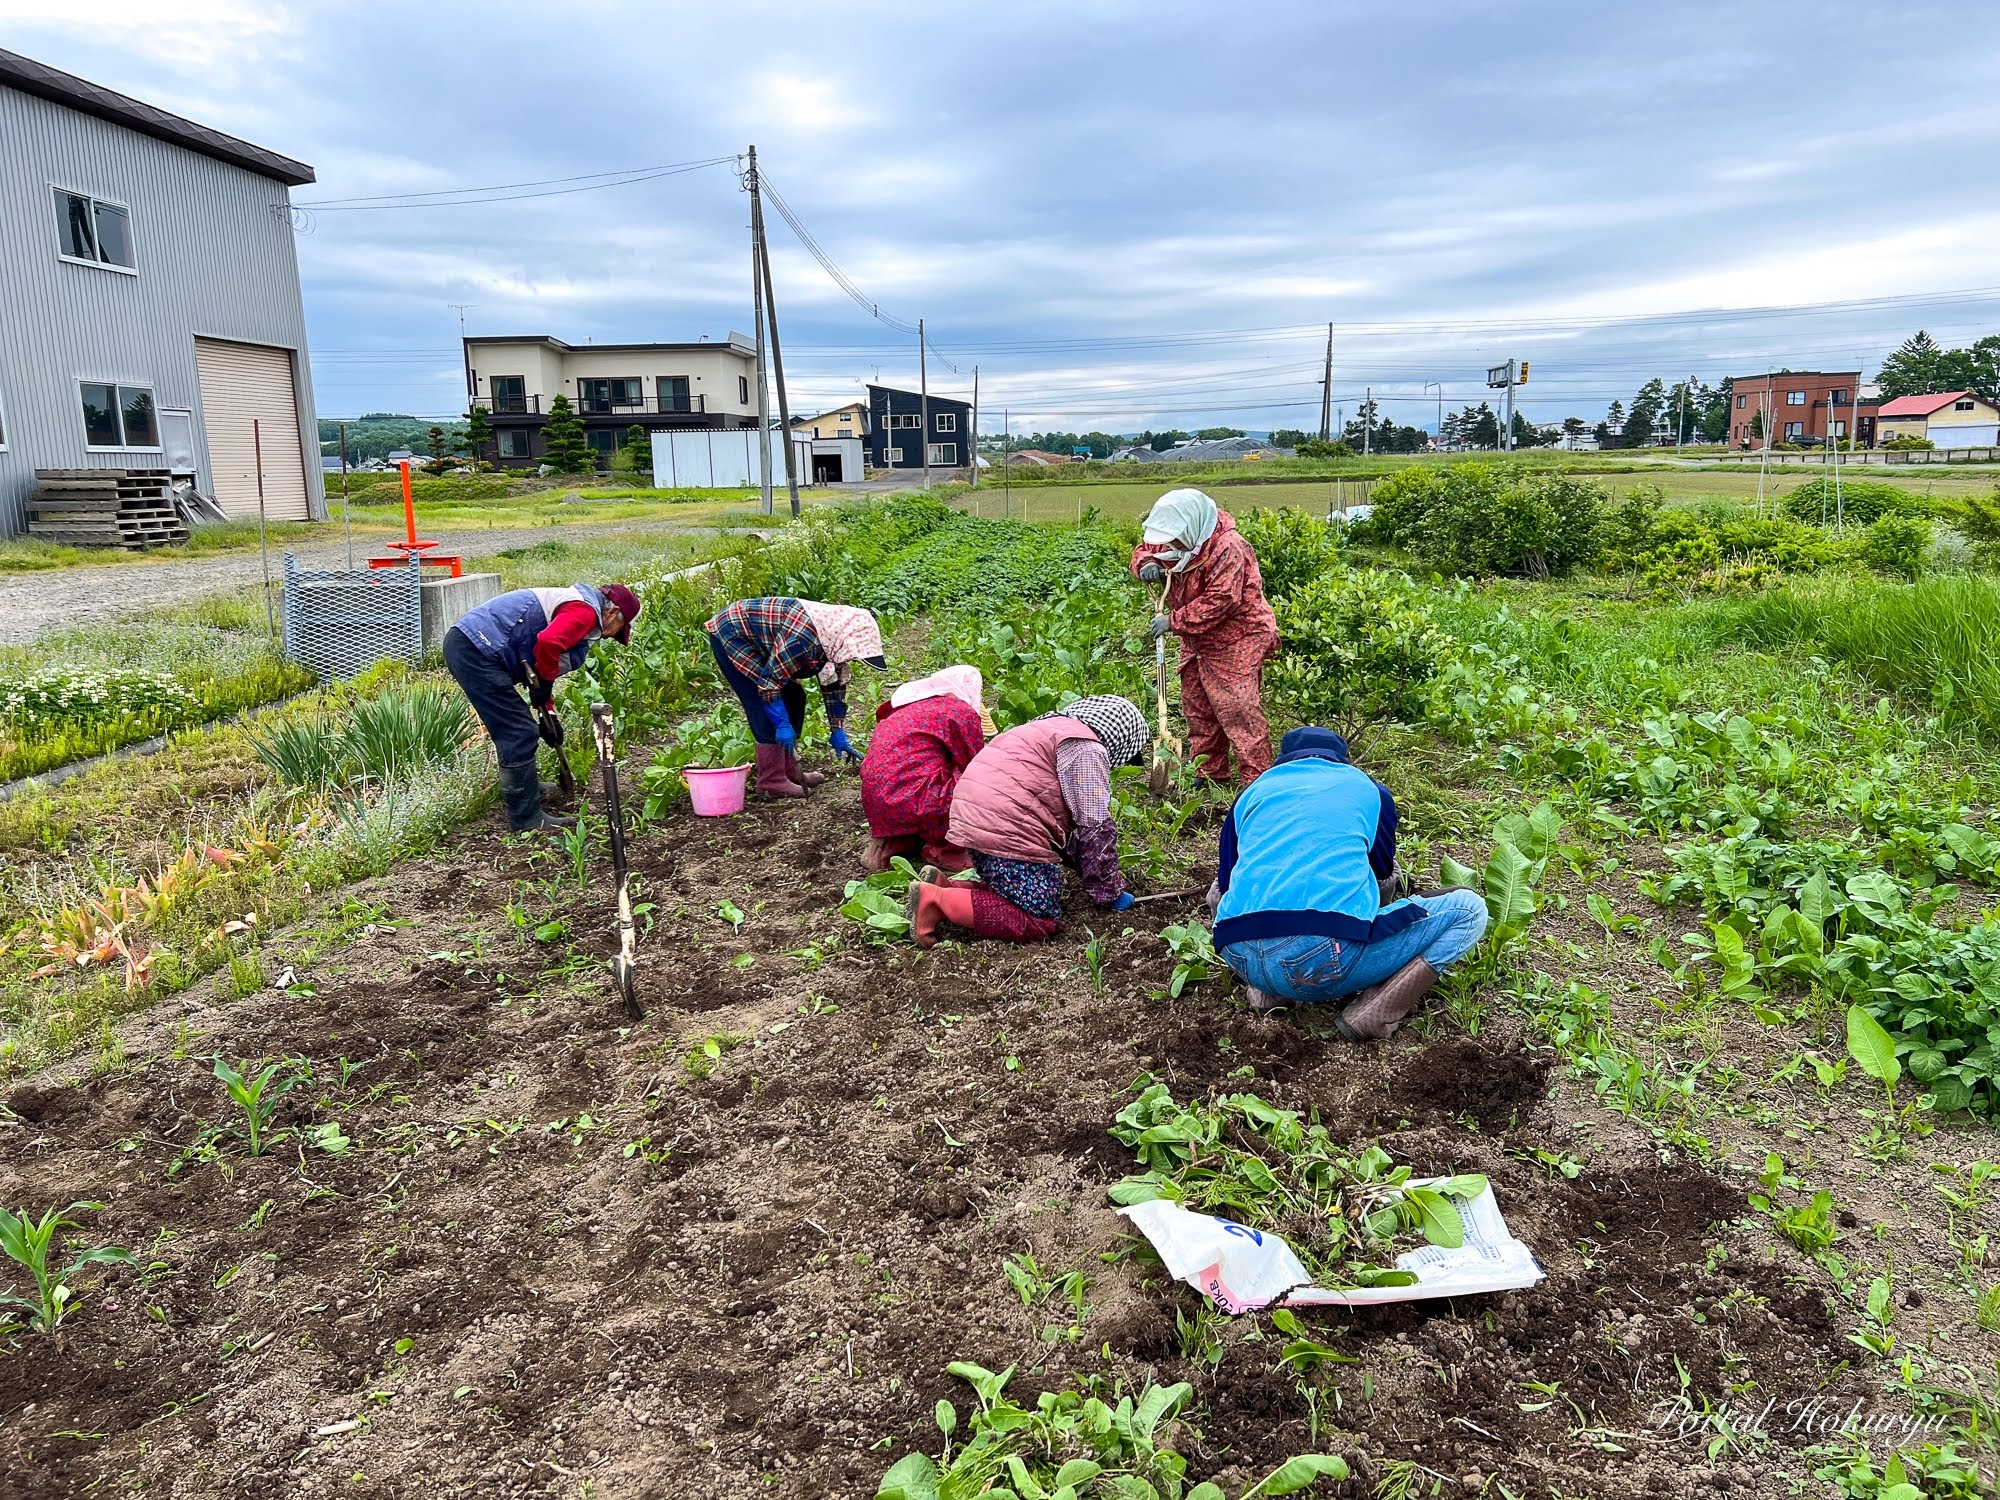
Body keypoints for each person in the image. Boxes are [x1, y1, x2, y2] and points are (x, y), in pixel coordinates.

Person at [1212, 727, 1488, 1041]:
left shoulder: (1251, 792)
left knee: (1230, 892)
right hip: (1323, 957)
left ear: (1283, 760)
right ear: (1341, 760)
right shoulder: (1369, 789)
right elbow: (1382, 870)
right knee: (1470, 909)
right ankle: (1373, 1013)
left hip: (1239, 955)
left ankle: (1267, 993)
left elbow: (1225, 883)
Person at [908, 695, 1149, 947]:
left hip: (975, 811)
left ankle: (950, 888)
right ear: (1119, 738)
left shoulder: (1046, 729)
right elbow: (1095, 829)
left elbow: (1064, 836)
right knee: (1038, 917)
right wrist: (1108, 890)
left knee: (1018, 891)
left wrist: (1090, 868)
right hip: (1004, 821)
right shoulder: (1086, 749)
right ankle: (936, 901)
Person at [442, 583, 640, 832]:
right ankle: (526, 820)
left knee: (518, 728)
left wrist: (548, 713)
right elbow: (547, 643)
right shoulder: (585, 612)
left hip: (477, 646)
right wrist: (544, 684)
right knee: (518, 732)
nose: (611, 636)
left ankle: (526, 788)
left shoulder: (581, 607)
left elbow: (537, 667)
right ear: (613, 613)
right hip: (476, 649)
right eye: (620, 629)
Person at [1130, 488, 1279, 786]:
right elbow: (1144, 549)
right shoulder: (1176, 536)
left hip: (1237, 635)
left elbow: (1222, 600)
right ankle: (1210, 771)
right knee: (1198, 705)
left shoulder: (1228, 546)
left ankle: (1257, 780)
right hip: (1197, 637)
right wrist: (1146, 563)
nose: (1170, 545)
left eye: (1175, 539)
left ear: (1192, 527)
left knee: (1238, 708)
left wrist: (1173, 621)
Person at [705, 597, 886, 798]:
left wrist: (837, 729)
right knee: (763, 703)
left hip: (765, 638)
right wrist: (782, 725)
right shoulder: (802, 639)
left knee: (794, 696)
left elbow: (833, 683)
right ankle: (771, 780)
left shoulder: (832, 636)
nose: (853, 658)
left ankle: (790, 771)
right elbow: (769, 683)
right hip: (734, 633)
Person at [860, 665, 997, 874]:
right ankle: (945, 849)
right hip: (913, 799)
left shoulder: (910, 707)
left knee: (920, 776)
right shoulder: (960, 711)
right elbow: (974, 764)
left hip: (876, 800)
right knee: (979, 783)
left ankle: (892, 841)